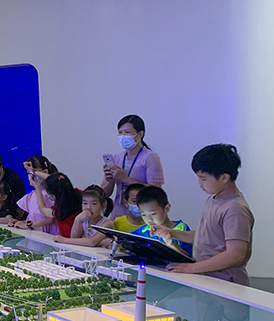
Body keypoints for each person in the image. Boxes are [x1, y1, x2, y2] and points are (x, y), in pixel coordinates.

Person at [159, 144, 254, 285]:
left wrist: (191, 268)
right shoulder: (214, 199)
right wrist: (172, 233)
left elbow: (235, 254)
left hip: (226, 283)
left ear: (224, 178)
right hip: (206, 279)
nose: (200, 184)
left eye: (203, 179)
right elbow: (206, 236)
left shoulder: (235, 209)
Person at [101, 114, 165, 218]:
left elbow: (156, 192)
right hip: (118, 213)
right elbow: (104, 194)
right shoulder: (117, 158)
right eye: (120, 132)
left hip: (142, 214)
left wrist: (125, 179)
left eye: (127, 132)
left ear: (140, 135)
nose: (123, 136)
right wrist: (110, 180)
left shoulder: (150, 157)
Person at [131, 186, 192, 257]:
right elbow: (126, 241)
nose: (149, 219)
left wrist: (171, 244)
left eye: (153, 214)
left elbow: (188, 256)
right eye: (143, 214)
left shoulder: (182, 228)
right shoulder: (143, 231)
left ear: (167, 208)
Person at [13, 155, 58, 233]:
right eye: (29, 173)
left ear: (44, 172)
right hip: (35, 233)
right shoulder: (32, 195)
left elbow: (49, 219)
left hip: (48, 235)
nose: (30, 176)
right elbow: (34, 218)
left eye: (33, 173)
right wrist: (21, 222)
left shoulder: (51, 195)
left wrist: (28, 225)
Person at [31, 173, 80, 238]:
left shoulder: (59, 211)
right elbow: (57, 180)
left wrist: (37, 188)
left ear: (52, 196)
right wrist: (34, 172)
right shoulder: (79, 194)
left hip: (69, 240)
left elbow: (42, 209)